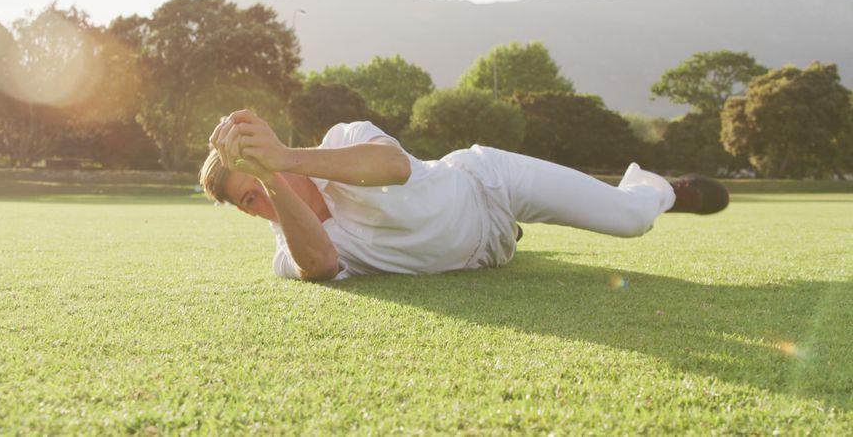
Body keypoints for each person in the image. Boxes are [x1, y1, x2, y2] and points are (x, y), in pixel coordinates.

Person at [201, 110, 728, 282]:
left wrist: (284, 159)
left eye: (258, 180)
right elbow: (321, 264)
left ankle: (657, 189)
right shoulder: (288, 248)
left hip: (486, 184)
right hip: (487, 250)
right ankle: (514, 236)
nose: (262, 199)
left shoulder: (340, 141)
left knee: (629, 219)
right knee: (504, 248)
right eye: (249, 198)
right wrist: (269, 178)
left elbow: (392, 165)